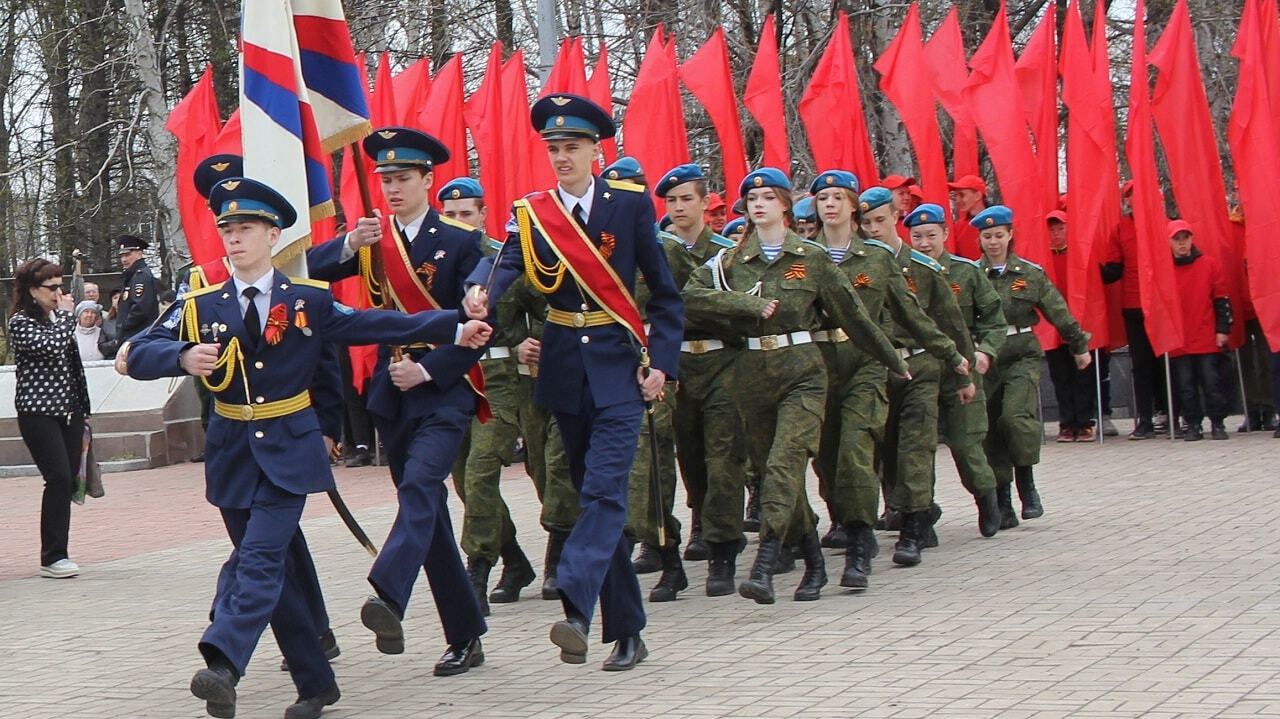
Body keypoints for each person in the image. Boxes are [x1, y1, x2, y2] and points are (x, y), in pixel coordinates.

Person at [125, 176, 492, 719]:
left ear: (274, 235)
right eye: (227, 228)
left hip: (290, 450)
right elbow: (136, 350)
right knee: (276, 575)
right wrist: (179, 357)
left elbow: (374, 322)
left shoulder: (306, 298)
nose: (235, 237)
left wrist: (453, 327)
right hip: (232, 450)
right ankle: (315, 683)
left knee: (260, 557)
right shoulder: (200, 302)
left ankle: (224, 658)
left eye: (247, 227)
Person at [463, 94, 683, 670]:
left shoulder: (629, 205)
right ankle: (627, 631)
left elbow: (663, 293)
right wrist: (480, 290)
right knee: (592, 498)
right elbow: (504, 262)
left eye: (571, 148)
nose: (561, 158)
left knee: (607, 490)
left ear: (595, 150)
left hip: (618, 366)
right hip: (563, 367)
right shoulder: (534, 213)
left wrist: (663, 362)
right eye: (553, 149)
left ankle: (576, 602)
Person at [306, 127, 489, 676]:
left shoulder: (458, 241)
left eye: (403, 178)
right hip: (392, 392)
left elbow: (481, 324)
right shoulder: (371, 239)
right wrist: (346, 244)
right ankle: (466, 635)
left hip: (445, 388)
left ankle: (388, 593)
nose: (391, 188)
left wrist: (429, 368)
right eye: (384, 179)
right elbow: (300, 275)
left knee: (420, 488)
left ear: (427, 181)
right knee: (427, 517)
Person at [684, 167, 910, 604]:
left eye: (768, 197)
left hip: (803, 373)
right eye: (752, 199)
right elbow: (690, 295)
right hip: (752, 374)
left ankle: (766, 561)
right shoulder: (730, 262)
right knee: (771, 473)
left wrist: (890, 360)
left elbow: (853, 316)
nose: (759, 205)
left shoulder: (811, 257)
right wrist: (743, 304)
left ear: (786, 205)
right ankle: (813, 557)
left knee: (785, 464)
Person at [806, 175, 975, 592]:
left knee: (856, 450)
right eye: (822, 198)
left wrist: (954, 357)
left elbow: (911, 314)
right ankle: (845, 520)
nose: (829, 205)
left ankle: (863, 540)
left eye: (837, 198)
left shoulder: (876, 258)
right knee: (826, 457)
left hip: (866, 364)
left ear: (853, 208)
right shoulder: (803, 257)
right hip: (817, 367)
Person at [640, 163, 741, 600]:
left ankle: (722, 552)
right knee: (678, 463)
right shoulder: (653, 251)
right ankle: (670, 555)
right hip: (671, 365)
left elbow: (736, 311)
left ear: (705, 202)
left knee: (723, 462)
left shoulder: (730, 253)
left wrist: (684, 310)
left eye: (687, 199)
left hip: (723, 363)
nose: (679, 208)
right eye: (671, 201)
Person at [439, 177, 540, 612]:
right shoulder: (433, 260)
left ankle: (475, 569)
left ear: (482, 216)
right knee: (464, 480)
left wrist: (528, 342)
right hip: (452, 379)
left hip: (499, 380)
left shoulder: (506, 258)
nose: (459, 222)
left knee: (481, 474)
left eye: (467, 214)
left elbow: (548, 306)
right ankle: (515, 561)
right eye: (451, 215)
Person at [858, 187, 973, 565]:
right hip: (878, 369)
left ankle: (912, 528)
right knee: (886, 450)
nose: (873, 229)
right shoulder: (856, 267)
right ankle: (916, 511)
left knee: (916, 445)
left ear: (895, 218)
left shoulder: (923, 269)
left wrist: (962, 375)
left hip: (921, 365)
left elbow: (951, 324)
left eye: (880, 220)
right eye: (866, 222)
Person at [976, 206, 1090, 528]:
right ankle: (1003, 501)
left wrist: (1078, 345)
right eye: (987, 237)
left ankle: (1027, 484)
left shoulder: (1029, 273)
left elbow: (1058, 310)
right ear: (980, 240)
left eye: (999, 235)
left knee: (1015, 419)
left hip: (1022, 353)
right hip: (987, 358)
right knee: (991, 429)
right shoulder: (971, 276)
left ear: (1010, 235)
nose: (993, 242)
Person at [903, 204, 1006, 539]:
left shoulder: (965, 272)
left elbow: (993, 318)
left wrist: (985, 351)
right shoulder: (902, 271)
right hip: (920, 369)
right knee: (919, 447)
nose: (924, 243)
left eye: (931, 235)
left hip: (960, 368)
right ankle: (921, 514)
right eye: (917, 236)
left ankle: (987, 498)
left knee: (965, 444)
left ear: (945, 234)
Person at [9, 259, 89, 579]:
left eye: (61, 285)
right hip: (37, 411)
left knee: (68, 478)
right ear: (32, 290)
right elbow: (52, 347)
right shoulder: (20, 322)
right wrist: (69, 316)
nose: (59, 293)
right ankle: (53, 555)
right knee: (56, 476)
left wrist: (84, 410)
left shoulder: (57, 319)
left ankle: (59, 551)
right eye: (52, 287)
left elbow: (72, 366)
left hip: (69, 409)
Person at [1167, 220, 1233, 441]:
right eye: (1177, 239)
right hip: (1180, 340)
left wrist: (1223, 329)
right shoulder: (1164, 271)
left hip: (1206, 336)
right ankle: (1193, 424)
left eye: (1185, 238)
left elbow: (1221, 298)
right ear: (1170, 243)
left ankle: (1217, 423)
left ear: (1192, 239)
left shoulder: (1209, 265)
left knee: (1212, 383)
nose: (1182, 243)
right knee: (1186, 386)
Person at [1044, 211, 1098, 442]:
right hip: (1054, 329)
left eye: (1061, 229)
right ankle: (1066, 422)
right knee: (1060, 377)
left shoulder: (1080, 257)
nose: (1056, 234)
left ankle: (1085, 422)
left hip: (1078, 325)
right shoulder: (1045, 259)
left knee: (1082, 376)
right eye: (1053, 230)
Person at [115, 234, 159, 341]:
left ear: (139, 254)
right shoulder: (132, 275)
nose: (124, 259)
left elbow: (141, 308)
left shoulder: (141, 276)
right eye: (122, 256)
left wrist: (124, 325)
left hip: (138, 335)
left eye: (128, 255)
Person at [947, 175, 989, 260]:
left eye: (962, 195)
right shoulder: (958, 228)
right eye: (956, 195)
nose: (957, 200)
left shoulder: (997, 223)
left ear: (977, 196)